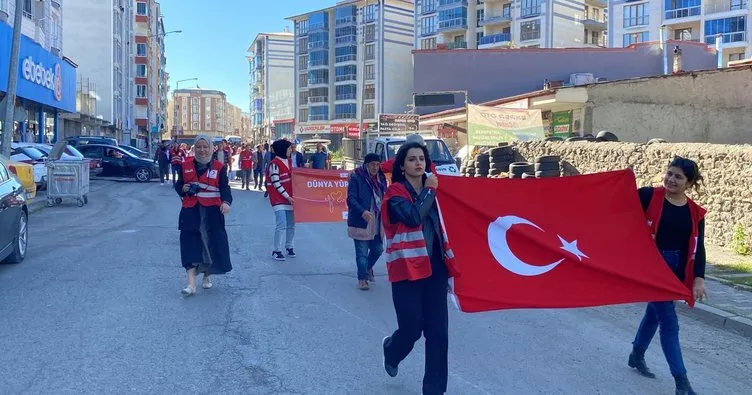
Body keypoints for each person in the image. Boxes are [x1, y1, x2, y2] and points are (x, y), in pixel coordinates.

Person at [380, 142, 460, 395]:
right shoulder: (395, 193)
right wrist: (429, 191)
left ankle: (434, 390)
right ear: (402, 166)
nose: (418, 163)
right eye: (412, 159)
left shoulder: (438, 190)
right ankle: (392, 350)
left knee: (438, 334)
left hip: (435, 267)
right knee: (412, 328)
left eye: (422, 158)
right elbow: (413, 217)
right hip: (407, 270)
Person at [627, 156, 707, 395]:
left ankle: (636, 355)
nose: (671, 179)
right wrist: (624, 180)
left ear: (689, 183)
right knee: (669, 321)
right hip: (654, 267)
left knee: (655, 312)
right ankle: (681, 382)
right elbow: (621, 203)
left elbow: (698, 246)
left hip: (677, 268)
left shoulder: (695, 212)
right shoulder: (649, 196)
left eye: (678, 177)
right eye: (669, 173)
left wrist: (699, 278)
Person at [174, 135, 233, 295]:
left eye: (205, 146)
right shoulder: (185, 165)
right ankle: (191, 284)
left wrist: (226, 202)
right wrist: (183, 189)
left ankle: (207, 275)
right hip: (190, 212)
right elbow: (178, 186)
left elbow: (225, 188)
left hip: (211, 214)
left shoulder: (219, 168)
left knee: (210, 244)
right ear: (195, 148)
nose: (202, 150)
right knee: (189, 244)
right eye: (198, 147)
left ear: (212, 148)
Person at [347, 153, 387, 290]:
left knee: (378, 249)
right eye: (372, 164)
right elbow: (350, 199)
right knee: (362, 253)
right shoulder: (356, 177)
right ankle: (362, 279)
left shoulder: (381, 179)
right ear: (366, 165)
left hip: (377, 221)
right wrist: (362, 211)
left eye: (377, 164)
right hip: (361, 220)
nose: (375, 167)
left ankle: (368, 268)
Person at [266, 139, 296, 261]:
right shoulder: (274, 164)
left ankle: (289, 247)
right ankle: (276, 250)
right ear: (283, 149)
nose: (290, 150)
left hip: (290, 199)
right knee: (281, 224)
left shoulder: (290, 162)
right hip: (279, 200)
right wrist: (287, 197)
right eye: (289, 148)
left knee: (291, 224)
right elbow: (276, 183)